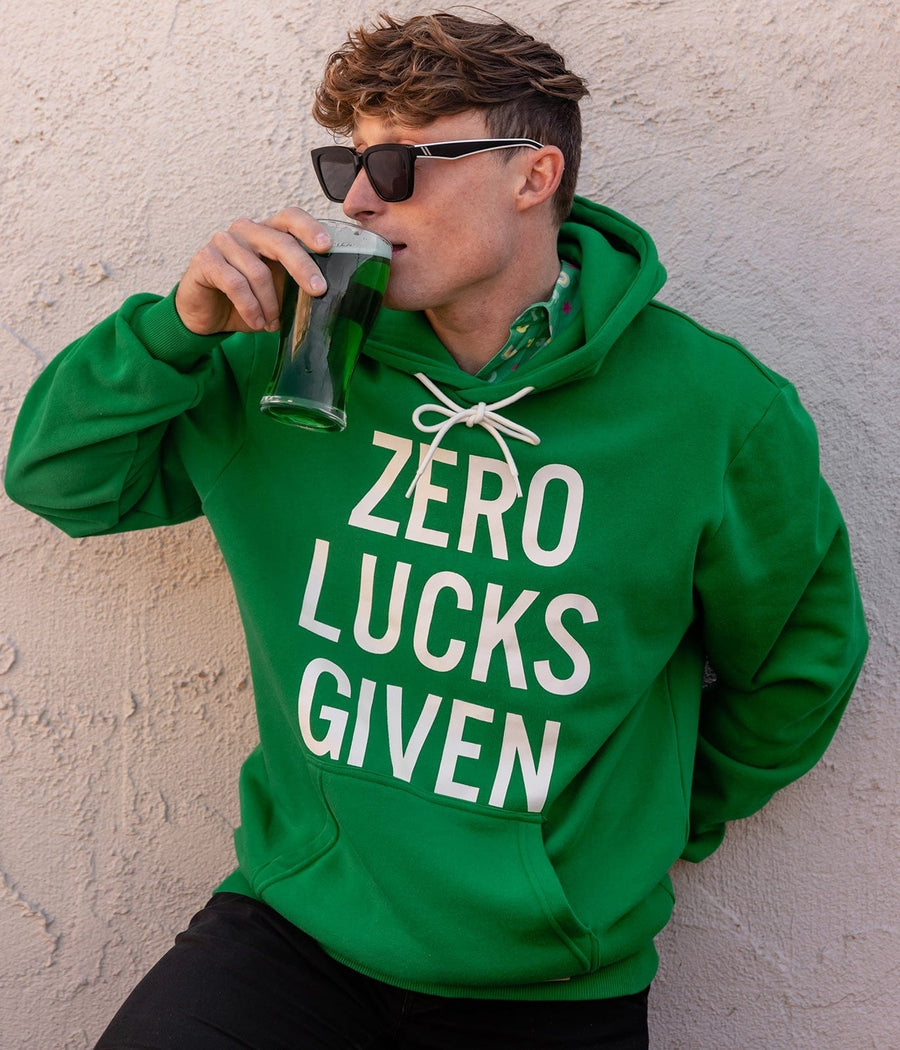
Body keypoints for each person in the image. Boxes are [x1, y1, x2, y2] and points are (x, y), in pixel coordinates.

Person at [4, 11, 867, 1050]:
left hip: (549, 982)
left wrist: (640, 831)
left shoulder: (712, 411)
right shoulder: (297, 361)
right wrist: (174, 328)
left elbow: (802, 662)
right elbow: (62, 481)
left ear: (533, 175)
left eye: (403, 164)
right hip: (297, 930)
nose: (361, 201)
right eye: (349, 165)